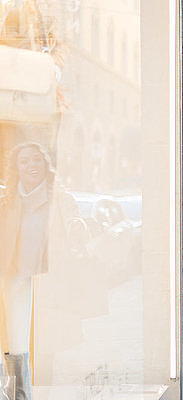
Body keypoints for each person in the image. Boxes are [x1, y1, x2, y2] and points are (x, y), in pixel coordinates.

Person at [0, 142, 77, 400]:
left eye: (36, 160)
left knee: (46, 348)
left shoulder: (61, 199)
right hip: (14, 283)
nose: (31, 165)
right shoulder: (7, 201)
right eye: (24, 161)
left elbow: (74, 240)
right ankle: (19, 396)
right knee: (16, 344)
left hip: (49, 284)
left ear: (45, 164)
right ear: (16, 169)